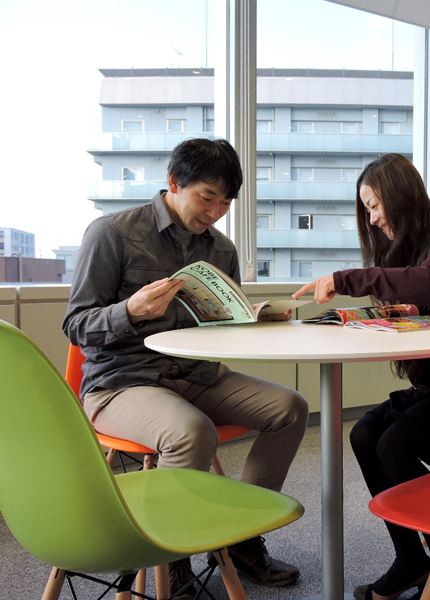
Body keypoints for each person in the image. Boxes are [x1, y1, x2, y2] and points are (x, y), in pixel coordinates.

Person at [63, 137, 309, 597]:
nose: (215, 211)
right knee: (191, 432)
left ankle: (240, 539)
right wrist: (129, 311)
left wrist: (250, 319)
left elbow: (220, 323)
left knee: (290, 408)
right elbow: (76, 325)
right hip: (121, 382)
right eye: (207, 197)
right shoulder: (112, 233)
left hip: (195, 375)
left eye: (226, 202)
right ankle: (170, 559)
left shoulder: (221, 249)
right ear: (174, 182)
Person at [293, 153, 430, 600]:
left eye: (374, 206)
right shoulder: (409, 252)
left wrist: (345, 279)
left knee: (394, 445)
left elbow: (424, 282)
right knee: (365, 435)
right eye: (367, 209)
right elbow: (409, 291)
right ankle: (411, 560)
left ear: (399, 194)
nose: (372, 220)